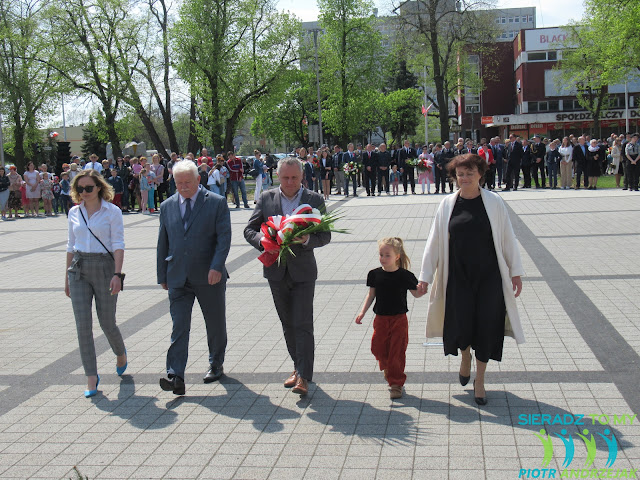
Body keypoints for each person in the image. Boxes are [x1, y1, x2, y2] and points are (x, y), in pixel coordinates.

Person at [418, 154, 525, 405]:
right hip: (458, 276)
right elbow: (434, 241)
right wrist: (425, 276)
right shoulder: (447, 204)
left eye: (470, 173)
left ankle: (481, 380)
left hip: (489, 277)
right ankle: (465, 356)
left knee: (488, 325)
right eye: (460, 174)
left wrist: (515, 271)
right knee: (462, 323)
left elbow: (508, 237)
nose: (465, 178)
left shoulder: (494, 203)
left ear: (480, 174)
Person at [244, 157, 331, 396]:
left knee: (303, 323)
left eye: (294, 177)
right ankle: (297, 366)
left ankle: (304, 376)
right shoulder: (266, 198)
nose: (290, 182)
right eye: (285, 178)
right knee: (288, 323)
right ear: (277, 176)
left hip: (303, 271)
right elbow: (249, 229)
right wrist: (264, 241)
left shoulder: (314, 199)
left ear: (302, 176)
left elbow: (325, 235)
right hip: (276, 270)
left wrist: (308, 239)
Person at [157, 160, 232, 395]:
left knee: (215, 323)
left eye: (187, 182)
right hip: (178, 276)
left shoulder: (216, 202)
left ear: (198, 180)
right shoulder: (167, 206)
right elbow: (163, 242)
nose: (183, 187)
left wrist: (217, 266)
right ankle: (175, 375)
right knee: (179, 326)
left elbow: (224, 238)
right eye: (178, 183)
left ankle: (216, 363)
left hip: (209, 275)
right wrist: (162, 274)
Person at [65, 169, 127, 397]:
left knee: (107, 322)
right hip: (79, 268)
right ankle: (91, 376)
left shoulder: (112, 211)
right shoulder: (74, 212)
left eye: (88, 188)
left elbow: (118, 243)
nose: (84, 192)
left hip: (105, 267)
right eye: (80, 188)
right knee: (83, 325)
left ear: (99, 187)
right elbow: (70, 246)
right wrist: (66, 278)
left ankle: (120, 353)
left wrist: (117, 274)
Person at [355, 237, 425, 399]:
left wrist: (422, 290)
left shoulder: (405, 275)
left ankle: (396, 383)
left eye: (387, 255)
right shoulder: (374, 274)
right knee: (377, 348)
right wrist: (362, 312)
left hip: (399, 319)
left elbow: (416, 294)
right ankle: (388, 368)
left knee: (397, 351)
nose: (383, 258)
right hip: (380, 319)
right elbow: (371, 295)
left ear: (397, 257)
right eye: (381, 254)